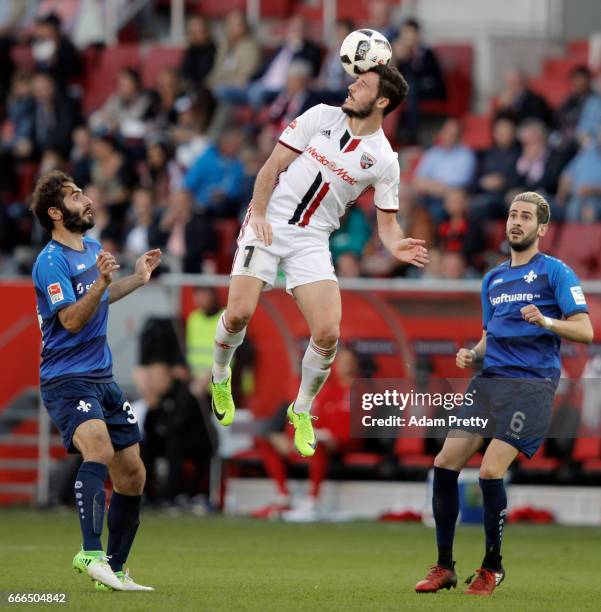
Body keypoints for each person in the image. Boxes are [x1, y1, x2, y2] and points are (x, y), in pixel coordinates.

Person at [210, 65, 429, 457]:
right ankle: (220, 373)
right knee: (239, 313)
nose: (351, 85)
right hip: (270, 222)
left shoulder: (383, 159)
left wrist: (395, 246)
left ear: (381, 102)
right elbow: (271, 166)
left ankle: (301, 410)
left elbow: (388, 225)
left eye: (361, 85)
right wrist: (258, 214)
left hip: (312, 240)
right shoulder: (319, 116)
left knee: (328, 333)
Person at [415, 191, 593, 596]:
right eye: (513, 214)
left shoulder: (556, 273)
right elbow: (488, 334)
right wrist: (473, 353)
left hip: (530, 385)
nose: (516, 221)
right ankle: (445, 566)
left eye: (526, 217)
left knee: (491, 470)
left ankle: (492, 568)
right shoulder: (493, 278)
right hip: (489, 381)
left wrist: (547, 321)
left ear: (541, 228)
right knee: (445, 462)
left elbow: (585, 329)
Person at [30, 170, 161, 591]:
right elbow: (69, 319)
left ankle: (115, 570)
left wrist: (135, 279)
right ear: (55, 213)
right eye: (74, 197)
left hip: (102, 377)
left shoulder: (91, 247)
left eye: (83, 193)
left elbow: (101, 296)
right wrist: (102, 281)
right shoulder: (49, 262)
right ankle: (89, 552)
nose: (86, 200)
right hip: (67, 379)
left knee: (134, 474)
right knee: (99, 450)